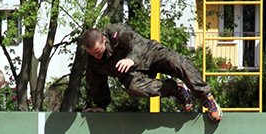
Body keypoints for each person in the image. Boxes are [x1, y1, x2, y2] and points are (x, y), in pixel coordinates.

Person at [80, 23, 222, 122]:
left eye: (98, 52)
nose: (96, 56)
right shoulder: (93, 61)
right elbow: (96, 84)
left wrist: (131, 59)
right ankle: (175, 89)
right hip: (132, 75)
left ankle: (205, 97)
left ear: (104, 40)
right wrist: (101, 105)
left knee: (176, 62)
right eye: (92, 54)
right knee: (133, 88)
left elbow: (136, 43)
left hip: (150, 54)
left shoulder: (116, 33)